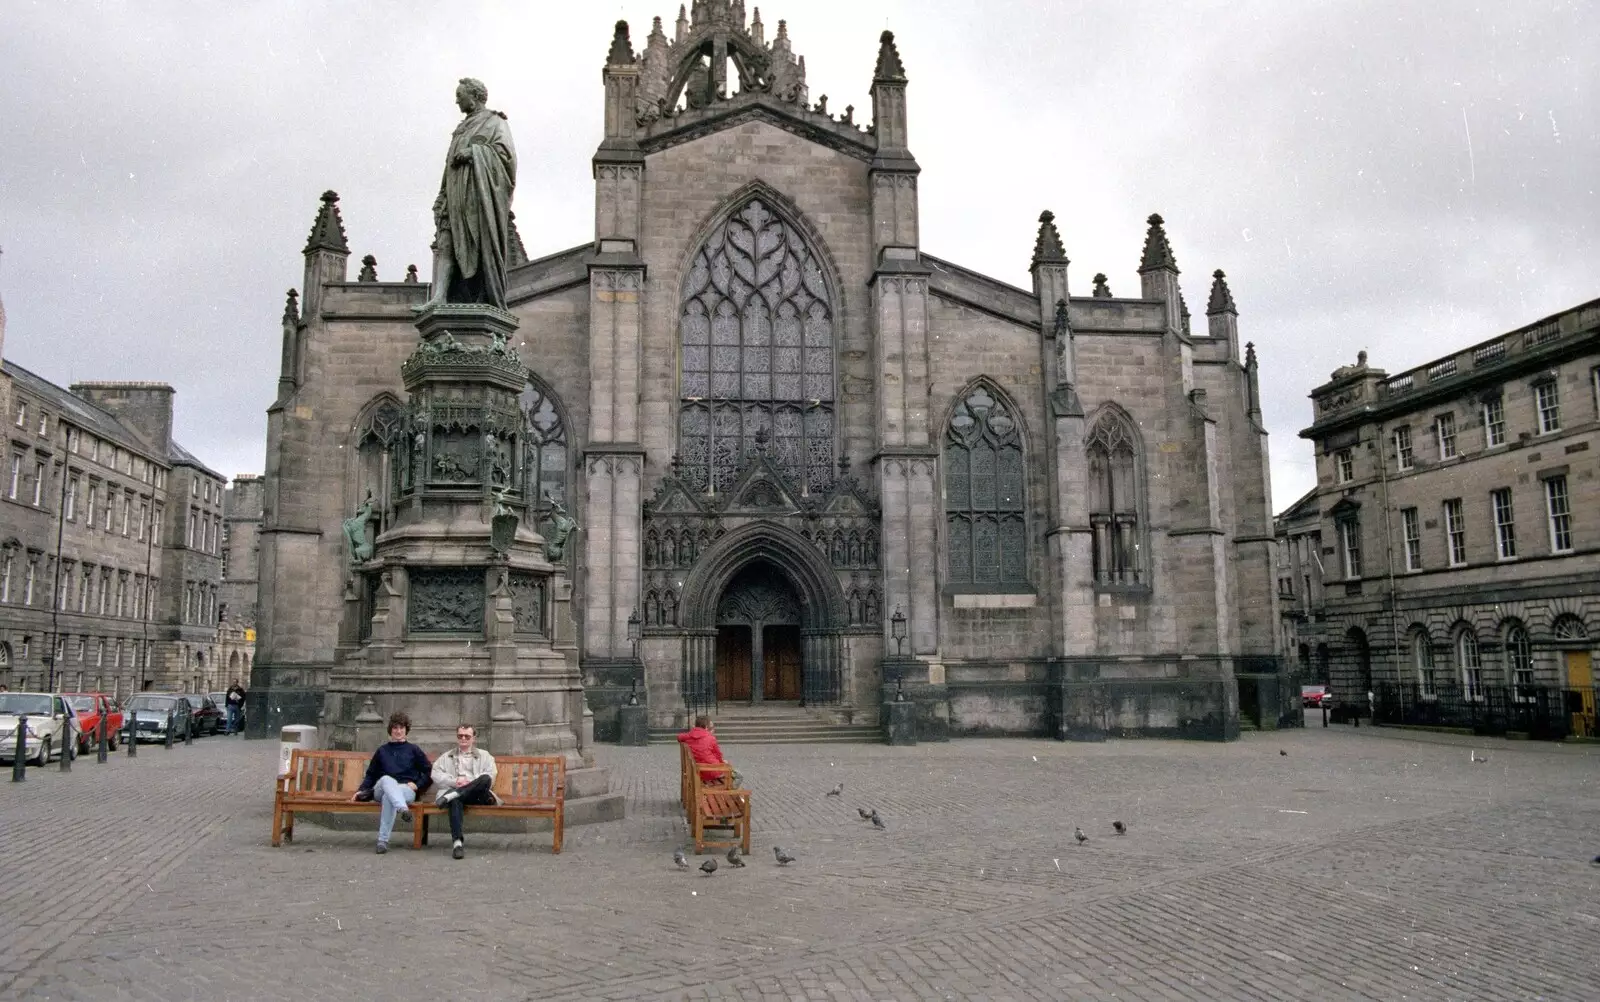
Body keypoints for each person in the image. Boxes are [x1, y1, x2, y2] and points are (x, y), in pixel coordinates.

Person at [424, 77, 517, 310]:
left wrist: (473, 153)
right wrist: (442, 194)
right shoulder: (460, 129)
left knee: (478, 245)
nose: (456, 100)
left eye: (460, 95)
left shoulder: (495, 123)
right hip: (454, 195)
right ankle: (439, 297)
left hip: (478, 198)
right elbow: (448, 166)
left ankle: (482, 296)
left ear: (474, 97)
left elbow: (507, 159)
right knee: (446, 242)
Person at [351, 712, 432, 854]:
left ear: (406, 730)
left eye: (401, 728)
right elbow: (371, 774)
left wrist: (418, 784)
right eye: (395, 728)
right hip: (382, 788)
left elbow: (429, 772)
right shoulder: (382, 751)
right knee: (386, 780)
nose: (398, 731)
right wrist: (361, 790)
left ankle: (382, 841)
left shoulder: (414, 750)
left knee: (389, 797)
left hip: (405, 790)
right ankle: (402, 809)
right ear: (390, 730)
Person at [429, 723, 498, 860]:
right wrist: (455, 782)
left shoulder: (485, 756)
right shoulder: (447, 756)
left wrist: (470, 783)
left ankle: (454, 794)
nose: (463, 739)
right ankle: (457, 844)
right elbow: (435, 774)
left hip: (479, 796)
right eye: (460, 736)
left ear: (474, 738)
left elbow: (491, 777)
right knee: (456, 800)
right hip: (457, 794)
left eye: (467, 736)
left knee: (484, 778)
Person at [676, 714, 728, 784]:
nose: (712, 729)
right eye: (711, 727)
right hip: (710, 771)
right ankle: (730, 793)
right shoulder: (710, 738)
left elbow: (679, 737)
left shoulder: (689, 736)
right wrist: (723, 763)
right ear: (706, 727)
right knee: (737, 775)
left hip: (696, 771)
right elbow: (718, 755)